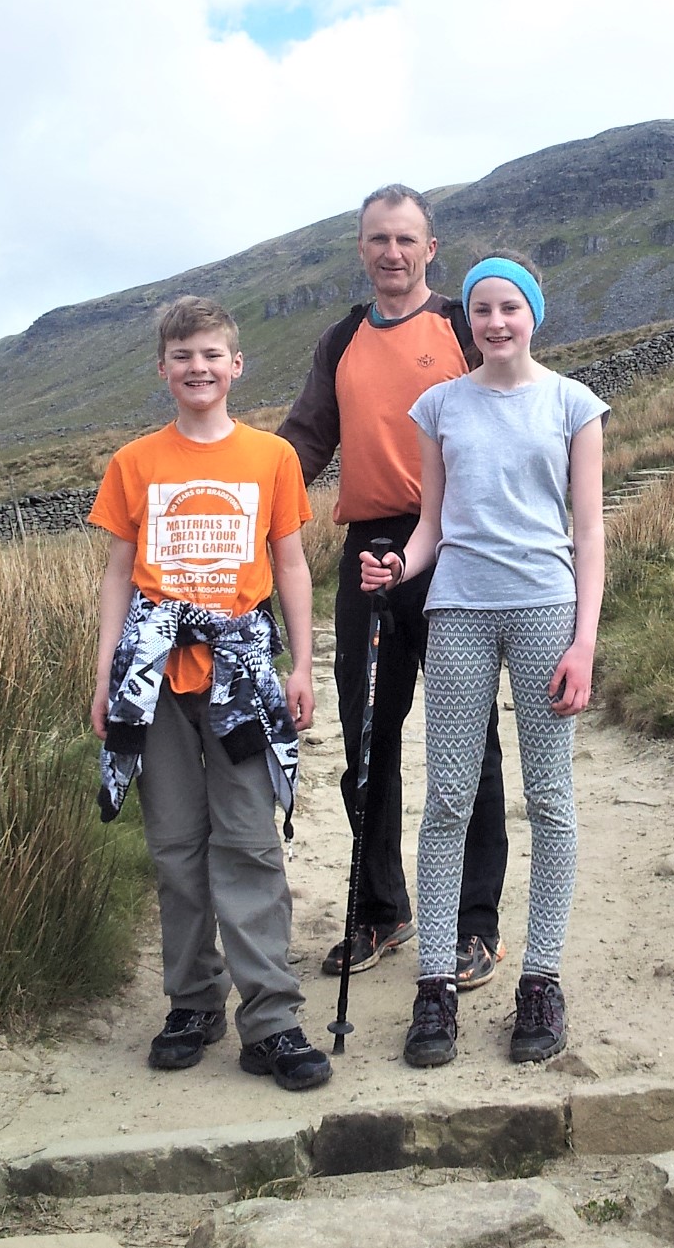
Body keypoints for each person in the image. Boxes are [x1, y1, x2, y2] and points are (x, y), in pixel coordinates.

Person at [360, 255, 607, 1068]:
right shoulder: (437, 407)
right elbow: (430, 523)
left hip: (544, 607)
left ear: (534, 312)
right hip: (457, 609)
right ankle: (434, 985)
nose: (495, 322)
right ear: (465, 320)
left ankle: (540, 978)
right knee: (449, 798)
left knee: (550, 798)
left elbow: (588, 534)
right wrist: (400, 566)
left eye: (510, 307)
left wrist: (584, 641)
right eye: (481, 310)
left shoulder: (574, 405)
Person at [88, 294, 331, 1092]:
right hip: (153, 680)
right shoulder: (134, 463)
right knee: (175, 847)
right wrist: (105, 679)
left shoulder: (271, 459)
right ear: (163, 369)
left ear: (237, 366)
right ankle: (192, 1002)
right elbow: (119, 573)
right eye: (182, 356)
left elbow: (290, 564)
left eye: (211, 354)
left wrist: (301, 664)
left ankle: (272, 1018)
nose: (198, 368)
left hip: (242, 675)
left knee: (250, 843)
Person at [278, 186, 509, 991]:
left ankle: (474, 927)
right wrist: (243, 495)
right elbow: (304, 439)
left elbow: (513, 407)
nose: (391, 252)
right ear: (362, 249)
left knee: (468, 745)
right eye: (377, 239)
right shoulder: (340, 339)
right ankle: (381, 911)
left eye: (405, 239)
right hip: (369, 552)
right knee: (367, 743)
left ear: (430, 247)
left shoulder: (458, 326)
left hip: (459, 551)